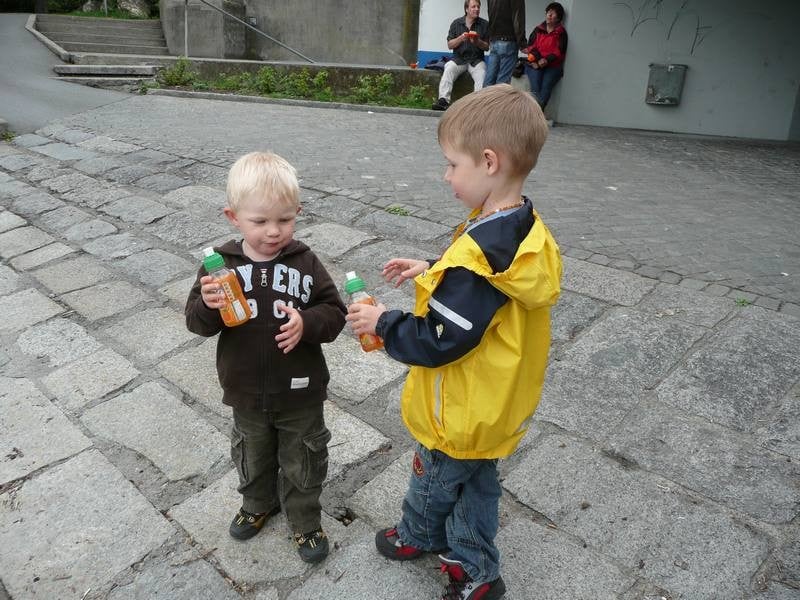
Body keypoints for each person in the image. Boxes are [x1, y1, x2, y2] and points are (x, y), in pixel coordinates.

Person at [346, 85, 562, 600]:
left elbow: (439, 340)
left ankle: (425, 538)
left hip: (461, 410)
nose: (446, 175)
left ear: (488, 162)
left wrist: (383, 322)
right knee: (476, 481)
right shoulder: (518, 226)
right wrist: (433, 267)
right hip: (494, 401)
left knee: (433, 474)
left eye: (451, 164)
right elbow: (485, 292)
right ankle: (474, 561)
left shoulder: (481, 255)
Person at [185, 152, 346, 564]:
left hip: (300, 391)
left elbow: (335, 312)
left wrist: (307, 323)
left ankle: (304, 519)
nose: (274, 232)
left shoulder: (305, 262)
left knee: (304, 458)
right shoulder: (219, 268)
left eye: (285, 219)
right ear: (233, 217)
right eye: (260, 221)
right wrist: (207, 305)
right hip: (245, 390)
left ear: (298, 213)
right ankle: (257, 503)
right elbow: (197, 324)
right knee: (251, 454)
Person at [432, 0, 489, 112]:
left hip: (476, 60)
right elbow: (450, 45)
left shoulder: (484, 24)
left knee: (482, 73)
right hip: (459, 59)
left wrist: (477, 41)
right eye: (473, 7)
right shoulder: (456, 23)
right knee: (449, 67)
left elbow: (487, 47)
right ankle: (443, 101)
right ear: (466, 9)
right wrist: (460, 38)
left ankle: (478, 105)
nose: (477, 9)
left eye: (478, 7)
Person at [523, 2, 568, 109]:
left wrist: (546, 60)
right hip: (536, 63)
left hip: (553, 66)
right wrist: (538, 60)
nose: (549, 15)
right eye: (548, 12)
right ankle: (535, 113)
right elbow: (531, 46)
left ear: (558, 18)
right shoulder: (538, 29)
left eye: (553, 13)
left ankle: (537, 112)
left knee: (546, 88)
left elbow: (559, 51)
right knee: (535, 87)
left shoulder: (561, 33)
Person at [483, 0, 526, 86]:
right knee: (502, 84)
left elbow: (490, 15)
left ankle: (485, 95)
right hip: (508, 41)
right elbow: (518, 19)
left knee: (489, 80)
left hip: (494, 41)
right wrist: (522, 43)